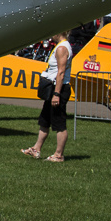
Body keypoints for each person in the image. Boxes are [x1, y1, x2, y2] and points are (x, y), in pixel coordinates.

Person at [23, 30, 73, 162]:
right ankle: (36, 149)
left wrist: (56, 94)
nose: (51, 34)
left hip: (58, 89)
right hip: (53, 88)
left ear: (59, 33)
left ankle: (59, 155)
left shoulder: (62, 48)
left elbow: (61, 73)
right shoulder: (60, 46)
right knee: (45, 120)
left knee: (59, 123)